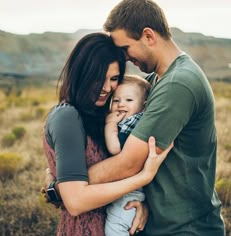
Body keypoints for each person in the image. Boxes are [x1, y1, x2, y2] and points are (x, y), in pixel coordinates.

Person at [87, 1, 226, 235]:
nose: (125, 58)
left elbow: (128, 164)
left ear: (148, 36)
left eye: (125, 48)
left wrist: (66, 184)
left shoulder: (178, 83)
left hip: (186, 229)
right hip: (162, 223)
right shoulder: (154, 80)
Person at [41, 32, 173, 236]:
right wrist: (143, 178)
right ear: (81, 73)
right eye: (97, 78)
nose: (105, 88)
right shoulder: (66, 116)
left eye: (113, 79)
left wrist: (138, 205)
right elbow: (75, 202)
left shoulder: (103, 114)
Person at [104, 75, 150, 235]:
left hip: (128, 195)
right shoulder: (138, 121)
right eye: (116, 100)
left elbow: (115, 149)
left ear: (143, 106)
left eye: (129, 100)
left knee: (114, 228)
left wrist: (110, 125)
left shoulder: (130, 127)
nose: (121, 104)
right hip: (127, 190)